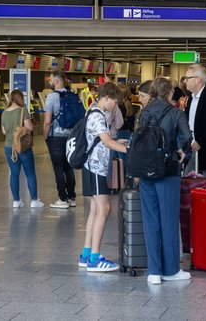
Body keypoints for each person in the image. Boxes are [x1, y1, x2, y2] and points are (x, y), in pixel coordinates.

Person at [138, 77, 193, 284]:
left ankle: (154, 272)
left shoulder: (145, 112)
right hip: (168, 170)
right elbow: (187, 137)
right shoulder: (176, 112)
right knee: (169, 220)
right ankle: (171, 270)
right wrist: (181, 151)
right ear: (170, 92)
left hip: (146, 170)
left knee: (151, 220)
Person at [77, 82, 129, 272]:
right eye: (114, 101)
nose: (115, 105)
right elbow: (106, 142)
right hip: (96, 168)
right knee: (104, 209)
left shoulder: (91, 111)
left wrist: (116, 141)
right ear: (106, 97)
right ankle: (95, 258)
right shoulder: (98, 115)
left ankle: (86, 253)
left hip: (90, 167)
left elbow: (100, 140)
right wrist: (127, 149)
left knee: (95, 210)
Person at [2, 89, 42, 209]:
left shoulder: (4, 112)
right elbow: (29, 127)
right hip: (22, 147)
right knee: (30, 173)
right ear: (20, 99)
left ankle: (16, 201)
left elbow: (4, 131)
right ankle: (34, 201)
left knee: (14, 173)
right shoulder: (22, 111)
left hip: (9, 147)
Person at [43, 70, 77, 209]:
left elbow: (47, 121)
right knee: (69, 167)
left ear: (57, 81)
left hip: (55, 137)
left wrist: (45, 136)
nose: (49, 82)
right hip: (70, 136)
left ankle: (62, 199)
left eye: (51, 80)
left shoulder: (51, 97)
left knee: (58, 168)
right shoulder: (72, 95)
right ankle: (72, 197)